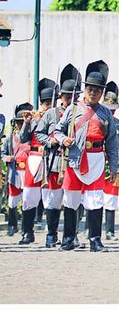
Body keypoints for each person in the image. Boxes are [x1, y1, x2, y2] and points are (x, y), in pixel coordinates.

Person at [54, 60, 119, 252]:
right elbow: (58, 130)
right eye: (90, 89)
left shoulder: (106, 113)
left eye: (97, 90)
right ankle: (68, 238)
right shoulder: (72, 110)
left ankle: (95, 239)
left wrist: (114, 167)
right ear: (85, 90)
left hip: (97, 158)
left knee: (95, 199)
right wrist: (63, 139)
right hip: (75, 158)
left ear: (101, 92)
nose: (93, 93)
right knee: (71, 200)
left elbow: (112, 143)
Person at [35, 64, 81, 248]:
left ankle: (72, 235)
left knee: (73, 200)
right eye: (67, 96)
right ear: (60, 96)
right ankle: (51, 235)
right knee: (53, 200)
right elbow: (39, 133)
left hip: (74, 161)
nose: (70, 100)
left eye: (73, 97)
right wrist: (51, 141)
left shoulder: (80, 113)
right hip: (55, 162)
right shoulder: (51, 114)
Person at [18, 78, 58, 245]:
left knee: (52, 198)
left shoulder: (58, 117)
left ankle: (52, 234)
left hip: (51, 158)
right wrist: (28, 123)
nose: (47, 106)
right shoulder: (34, 117)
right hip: (34, 158)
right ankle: (27, 232)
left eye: (50, 103)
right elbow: (22, 139)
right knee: (29, 196)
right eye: (45, 103)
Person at [1, 103, 32, 236]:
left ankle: (26, 228)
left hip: (28, 172)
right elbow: (2, 153)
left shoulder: (31, 138)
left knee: (27, 200)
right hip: (14, 172)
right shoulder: (9, 139)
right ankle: (12, 225)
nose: (21, 126)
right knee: (12, 201)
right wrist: (5, 158)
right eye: (19, 123)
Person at [102, 81, 119, 241]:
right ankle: (91, 229)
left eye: (113, 110)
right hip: (98, 162)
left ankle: (110, 230)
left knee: (111, 199)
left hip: (115, 166)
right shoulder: (97, 120)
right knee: (93, 198)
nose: (110, 113)